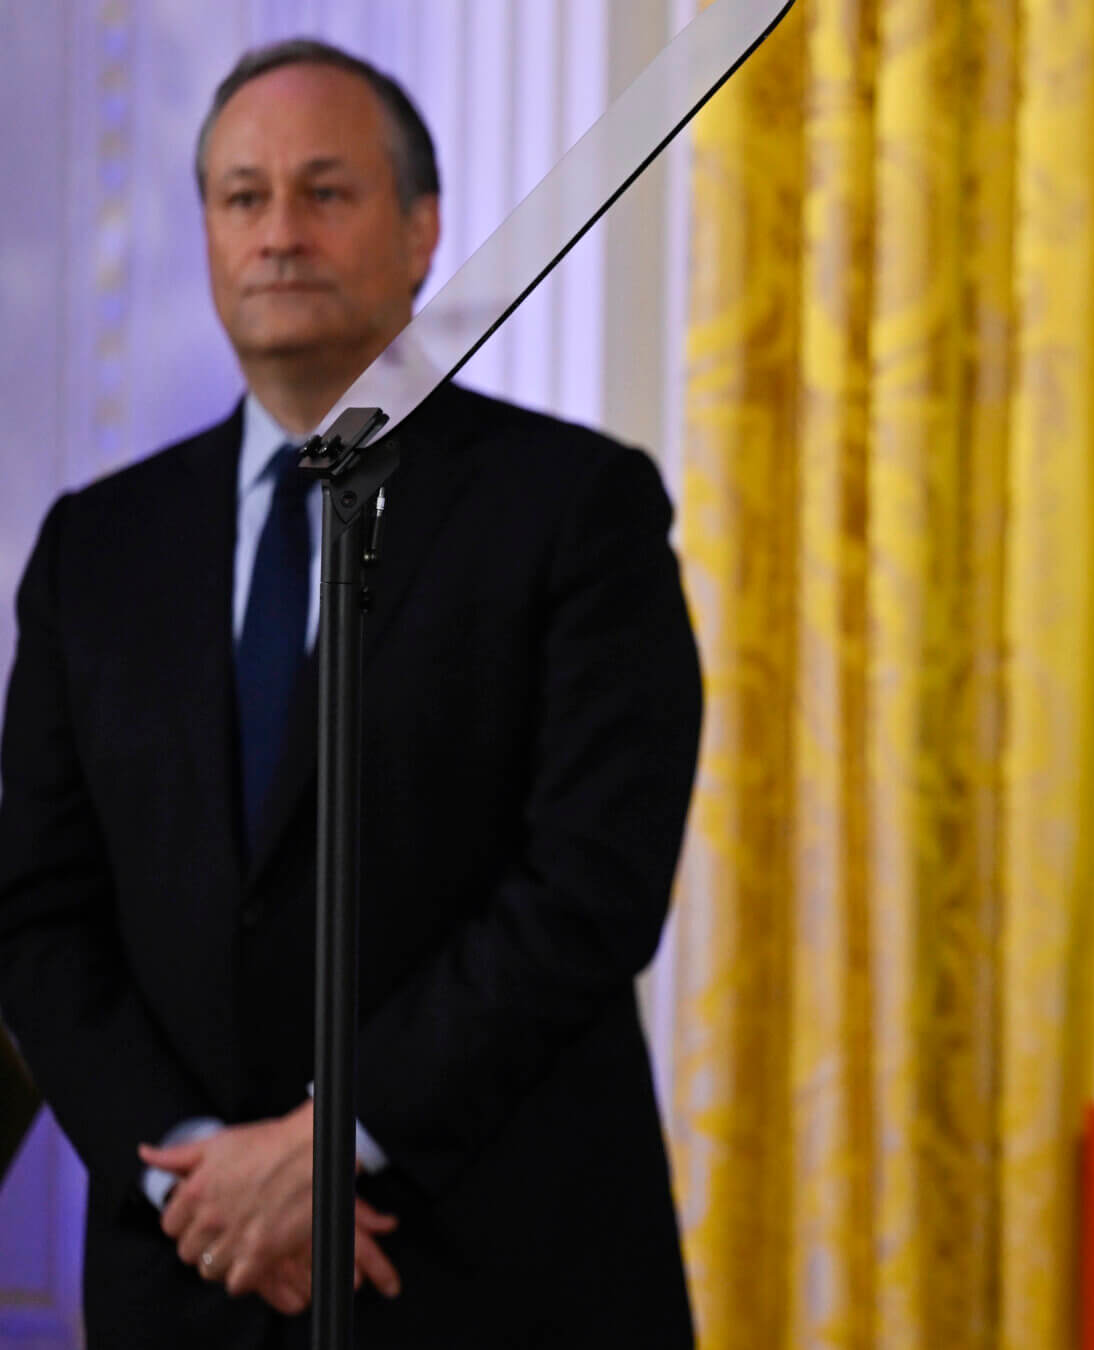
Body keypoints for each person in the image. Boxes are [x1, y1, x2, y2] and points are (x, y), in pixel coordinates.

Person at [0, 40, 702, 1348]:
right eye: (242, 196)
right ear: (207, 232)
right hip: (190, 1270)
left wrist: (335, 1142)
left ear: (422, 230)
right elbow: (37, 912)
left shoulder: (574, 511)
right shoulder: (93, 550)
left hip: (489, 1264)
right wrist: (197, 1168)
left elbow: (589, 887)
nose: (279, 232)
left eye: (326, 192)